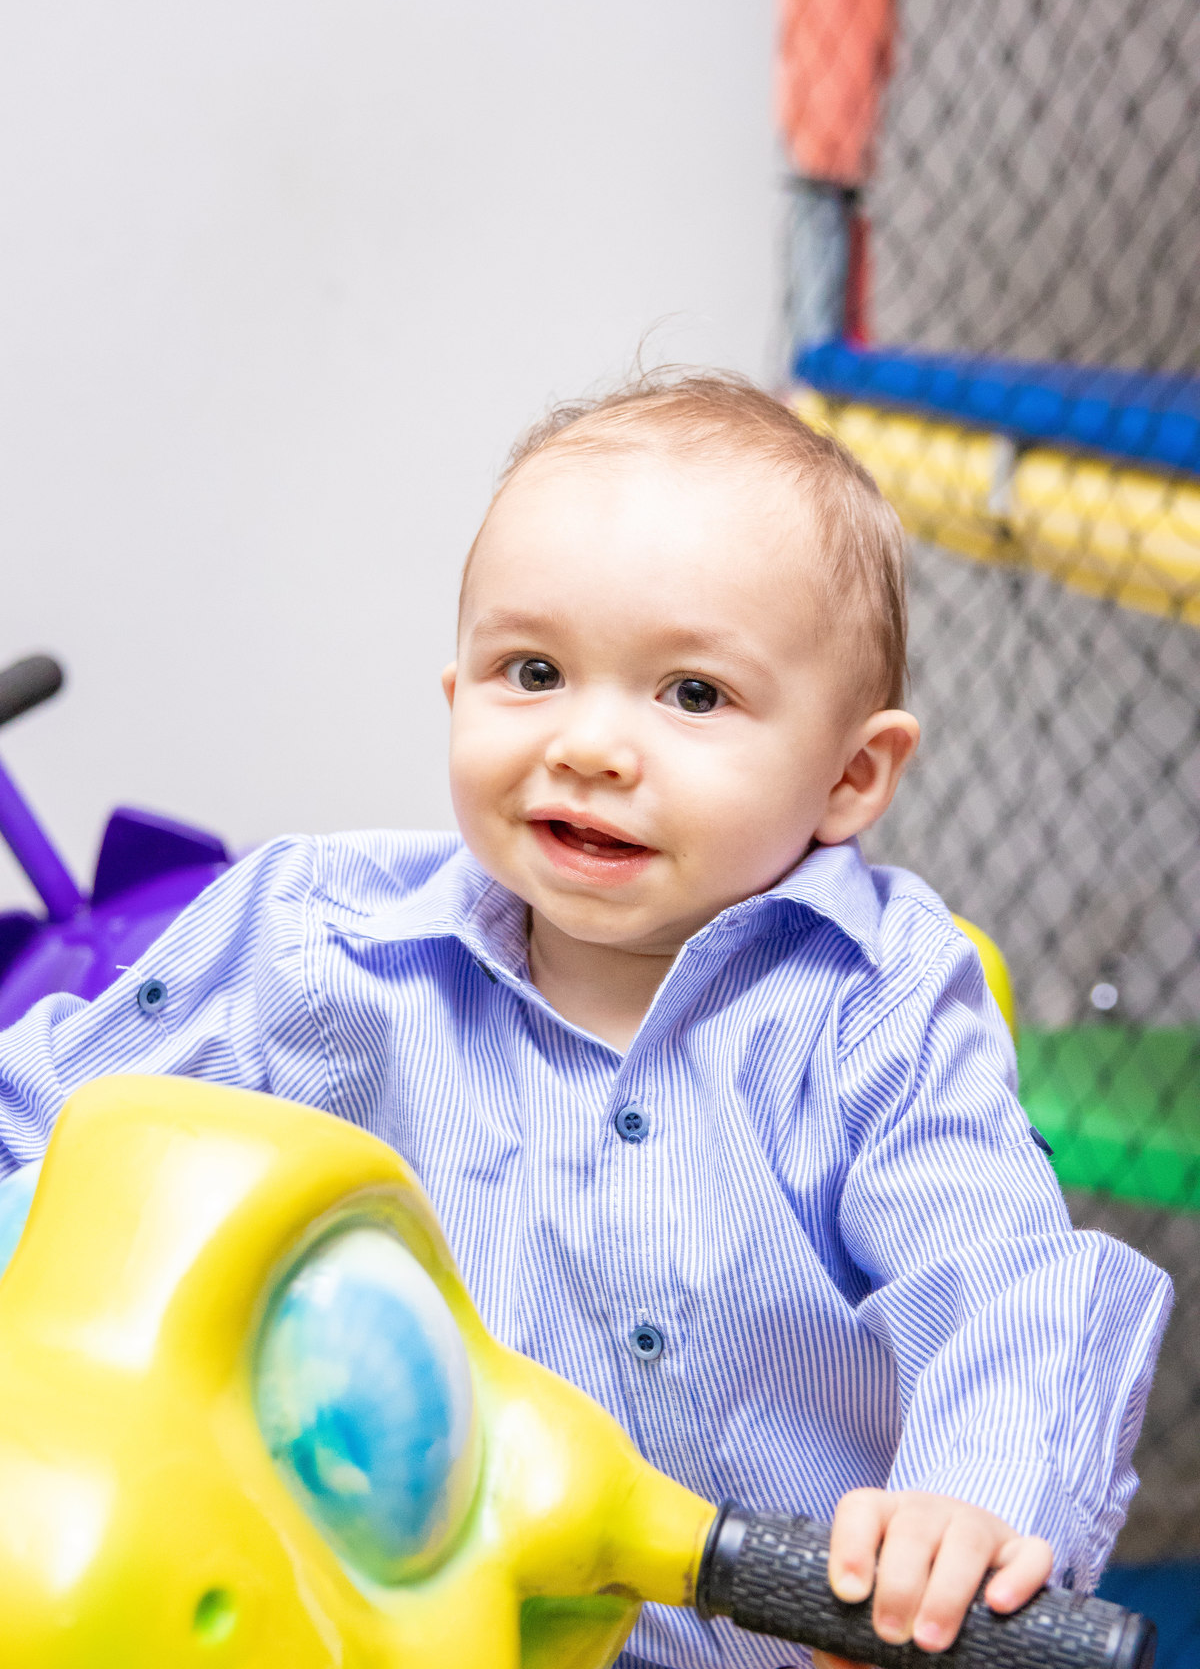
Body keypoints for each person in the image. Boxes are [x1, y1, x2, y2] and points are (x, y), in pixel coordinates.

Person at [0, 375, 1170, 1669]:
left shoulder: (873, 1004)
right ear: (457, 695)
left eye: (693, 697)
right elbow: (49, 1122)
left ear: (851, 777)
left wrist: (970, 1510)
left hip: (801, 1638)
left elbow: (1008, 1290)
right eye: (534, 672)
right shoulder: (317, 938)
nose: (591, 745)